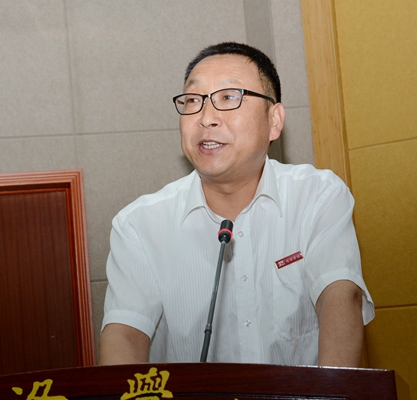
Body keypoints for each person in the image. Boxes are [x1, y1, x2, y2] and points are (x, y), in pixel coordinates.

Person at [99, 42, 374, 367]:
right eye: (193, 100)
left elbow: (341, 297)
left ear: (274, 120)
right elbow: (125, 335)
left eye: (229, 97)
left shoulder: (317, 195)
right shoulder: (138, 226)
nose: (206, 118)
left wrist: (333, 390)